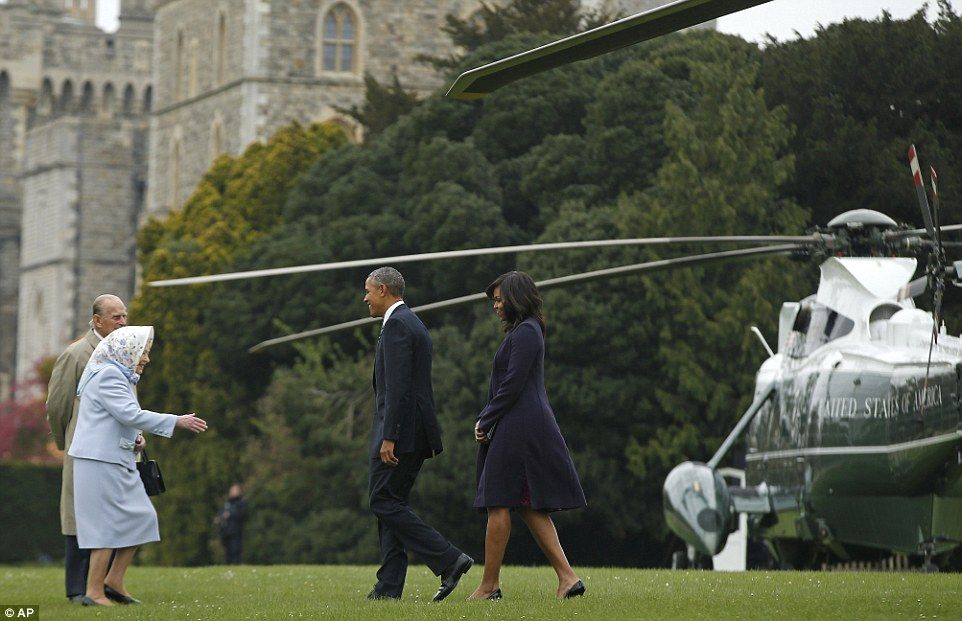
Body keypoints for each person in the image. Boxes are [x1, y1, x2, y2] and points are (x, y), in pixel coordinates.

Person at [68, 325, 208, 607]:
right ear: (127, 351)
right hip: (99, 461)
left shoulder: (117, 374)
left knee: (142, 517)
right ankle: (94, 593)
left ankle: (114, 582)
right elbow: (128, 412)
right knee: (105, 528)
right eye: (143, 353)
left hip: (115, 459)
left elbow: (116, 419)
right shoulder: (109, 374)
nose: (146, 359)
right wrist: (176, 421)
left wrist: (135, 439)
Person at [468, 271, 587, 601]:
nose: (496, 306)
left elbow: (513, 384)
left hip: (519, 426)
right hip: (519, 424)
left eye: (499, 299)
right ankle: (568, 579)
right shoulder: (526, 331)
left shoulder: (526, 332)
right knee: (528, 505)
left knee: (498, 501)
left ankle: (489, 586)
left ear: (516, 297)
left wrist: (486, 418)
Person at [363, 266, 473, 602]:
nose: (365, 298)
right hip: (414, 432)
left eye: (368, 291)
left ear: (383, 289)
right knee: (391, 504)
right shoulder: (411, 321)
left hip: (400, 433)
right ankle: (388, 588)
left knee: (383, 501)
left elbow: (398, 389)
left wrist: (389, 435)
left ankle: (449, 559)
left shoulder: (397, 325)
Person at [46, 294, 128, 604]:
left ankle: (106, 585)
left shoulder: (123, 353)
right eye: (116, 317)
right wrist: (66, 441)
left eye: (124, 316)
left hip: (115, 450)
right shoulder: (77, 354)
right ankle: (77, 589)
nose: (122, 322)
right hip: (82, 450)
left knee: (113, 517)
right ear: (97, 320)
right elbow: (57, 404)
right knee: (79, 518)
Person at [215, 483, 248, 564]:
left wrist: (230, 515)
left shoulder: (241, 503)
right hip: (226, 532)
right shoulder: (227, 503)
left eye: (235, 490)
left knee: (235, 552)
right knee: (228, 553)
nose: (233, 492)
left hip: (236, 532)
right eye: (232, 490)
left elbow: (242, 514)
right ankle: (229, 568)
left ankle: (236, 567)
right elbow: (221, 513)